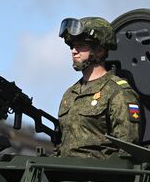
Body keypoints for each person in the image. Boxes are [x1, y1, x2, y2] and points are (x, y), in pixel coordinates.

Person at [56, 16, 141, 158]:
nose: (74, 51)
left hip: (98, 176)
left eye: (81, 46)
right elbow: (60, 144)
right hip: (64, 175)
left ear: (100, 51)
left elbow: (127, 148)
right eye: (72, 46)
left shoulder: (118, 92)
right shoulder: (70, 94)